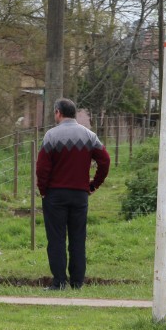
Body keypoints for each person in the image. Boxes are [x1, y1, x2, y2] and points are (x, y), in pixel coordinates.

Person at [36, 98, 110, 290]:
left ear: (58, 112)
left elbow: (42, 168)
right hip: (79, 195)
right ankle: (77, 282)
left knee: (56, 239)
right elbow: (105, 161)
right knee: (78, 238)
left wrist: (43, 190)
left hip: (55, 195)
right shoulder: (89, 135)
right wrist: (93, 184)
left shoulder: (51, 136)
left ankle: (59, 282)